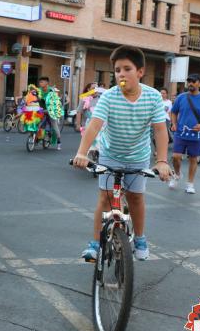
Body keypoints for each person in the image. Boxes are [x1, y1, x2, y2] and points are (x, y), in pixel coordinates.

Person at [72, 45, 172, 261]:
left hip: (138, 155)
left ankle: (140, 238)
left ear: (140, 72)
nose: (121, 74)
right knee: (105, 198)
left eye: (127, 69)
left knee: (136, 198)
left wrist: (162, 160)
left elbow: (160, 130)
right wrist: (82, 153)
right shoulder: (109, 96)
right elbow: (94, 125)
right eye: (117, 70)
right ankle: (95, 243)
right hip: (110, 153)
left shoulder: (153, 97)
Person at [169, 74, 200, 194]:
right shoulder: (181, 97)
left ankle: (190, 184)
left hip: (196, 135)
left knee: (193, 159)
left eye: (193, 81)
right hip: (180, 133)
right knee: (176, 157)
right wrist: (173, 123)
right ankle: (177, 174)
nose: (190, 84)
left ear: (199, 83)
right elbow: (174, 112)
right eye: (188, 81)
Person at [38, 76, 63, 150]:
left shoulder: (51, 91)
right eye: (40, 82)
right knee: (37, 123)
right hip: (41, 109)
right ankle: (37, 137)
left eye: (42, 82)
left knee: (54, 126)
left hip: (51, 110)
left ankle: (59, 141)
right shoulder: (38, 90)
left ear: (47, 83)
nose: (40, 83)